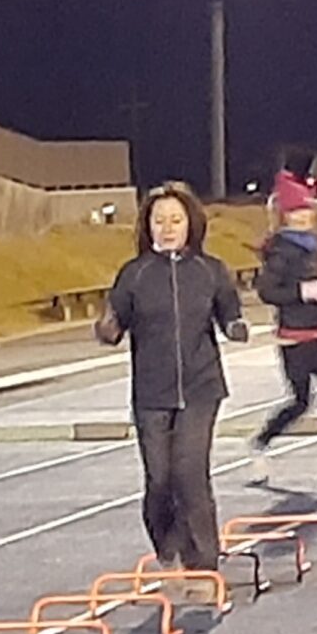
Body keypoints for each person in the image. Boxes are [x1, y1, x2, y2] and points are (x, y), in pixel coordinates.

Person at [97, 181, 249, 570]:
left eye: (175, 220)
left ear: (191, 224)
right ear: (147, 226)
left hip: (201, 388)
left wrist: (235, 327)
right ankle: (168, 547)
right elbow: (115, 319)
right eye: (159, 220)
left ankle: (204, 563)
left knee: (190, 474)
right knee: (159, 479)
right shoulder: (135, 274)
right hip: (151, 392)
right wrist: (108, 327)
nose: (167, 228)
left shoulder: (210, 270)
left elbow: (229, 313)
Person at [250, 169, 317, 482]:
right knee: (301, 402)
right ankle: (261, 442)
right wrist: (302, 292)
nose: (303, 217)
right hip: (295, 338)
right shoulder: (279, 250)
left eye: (307, 210)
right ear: (286, 215)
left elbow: (316, 281)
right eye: (296, 212)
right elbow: (267, 291)